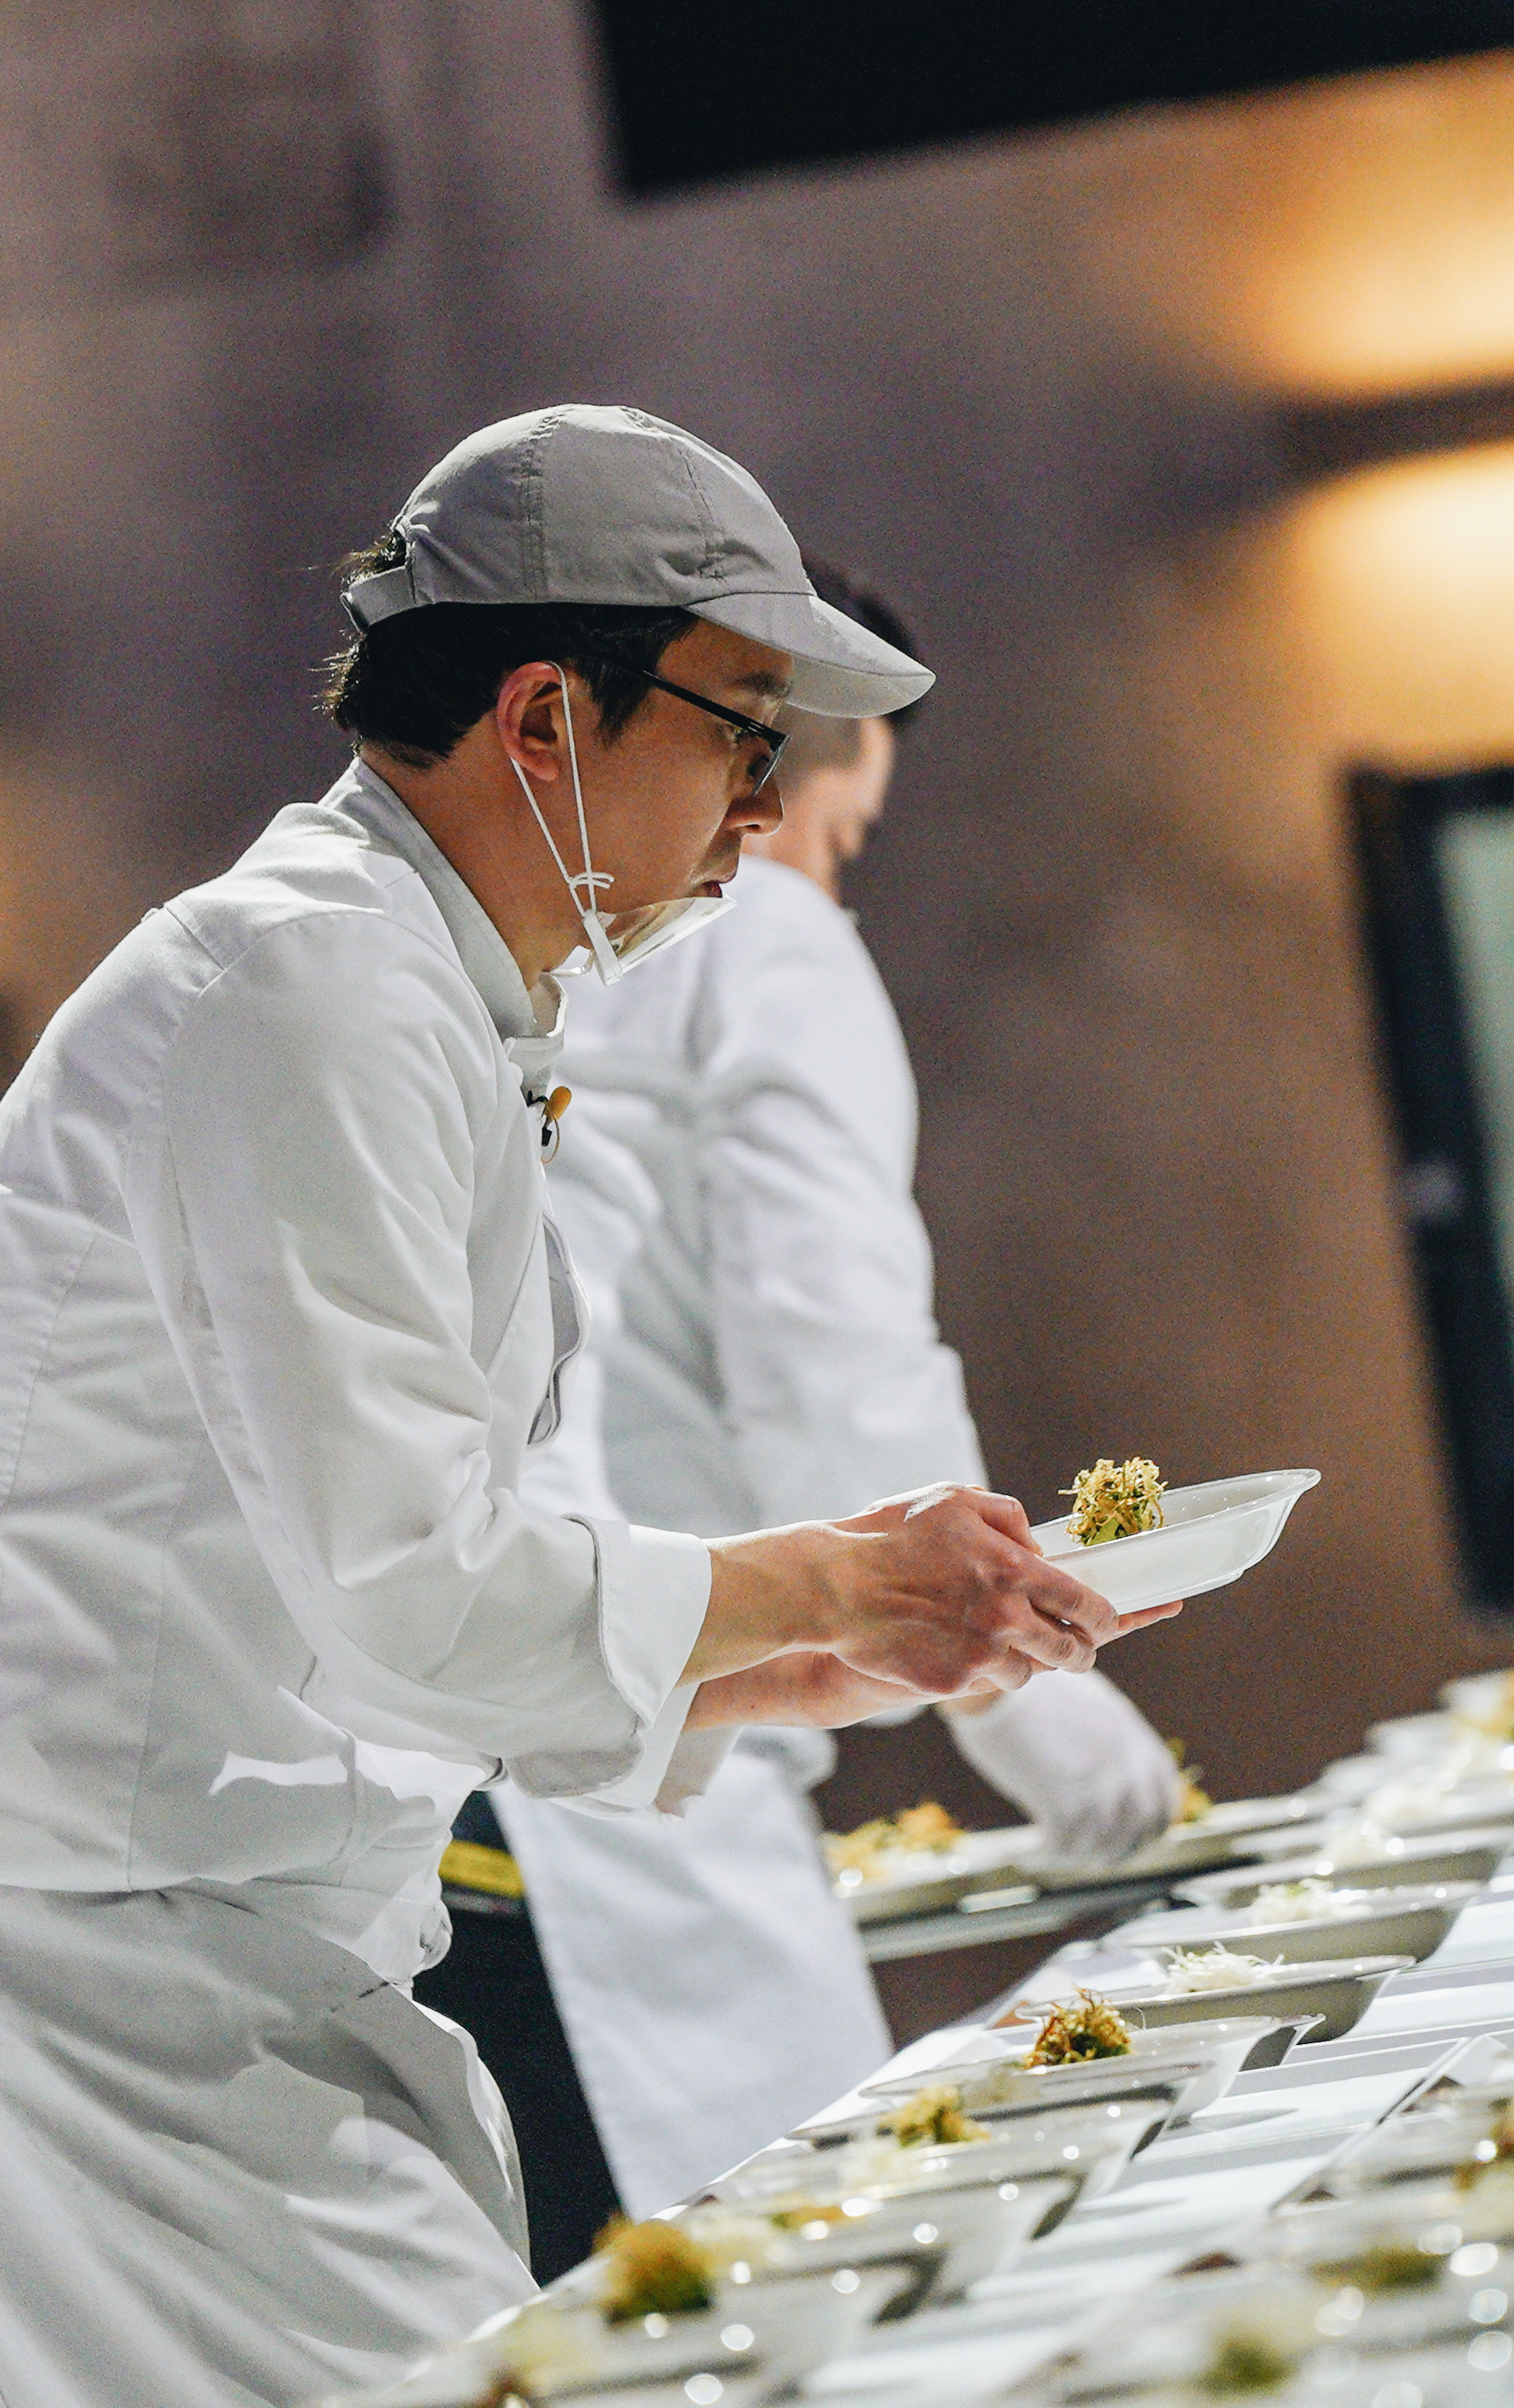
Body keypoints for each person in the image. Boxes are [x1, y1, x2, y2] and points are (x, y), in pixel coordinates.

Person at [0, 405, 1161, 2408]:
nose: (760, 810)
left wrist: (770, 1657)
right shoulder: (314, 989)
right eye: (737, 730)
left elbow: (412, 1569)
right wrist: (826, 1571)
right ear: (543, 718)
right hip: (115, 2016)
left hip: (228, 1970)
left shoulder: (441, 997)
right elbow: (405, 1589)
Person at [419, 567, 1183, 2255]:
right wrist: (1041, 1713)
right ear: (769, 777)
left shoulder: (509, 951)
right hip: (610, 1774)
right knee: (783, 2285)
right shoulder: (769, 936)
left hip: (451, 1784)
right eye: (840, 829)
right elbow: (835, 1366)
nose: (815, 868)